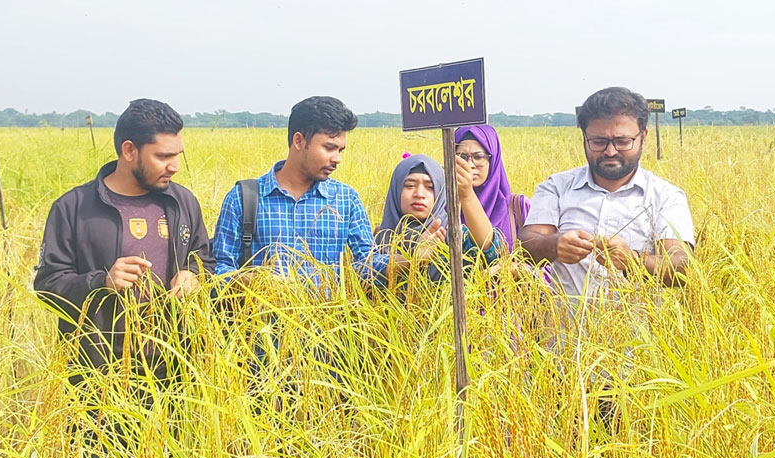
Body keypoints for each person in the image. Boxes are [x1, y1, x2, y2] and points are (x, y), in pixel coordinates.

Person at [34, 98, 215, 382]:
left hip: (174, 372)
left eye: (177, 154)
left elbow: (203, 259)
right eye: (163, 157)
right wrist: (101, 282)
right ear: (129, 150)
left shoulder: (183, 203)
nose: (175, 166)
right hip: (98, 377)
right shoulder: (73, 208)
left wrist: (192, 275)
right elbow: (47, 287)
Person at [519, 86, 694, 298]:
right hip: (564, 329)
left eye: (622, 141)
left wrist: (632, 260)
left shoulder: (666, 196)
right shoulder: (556, 187)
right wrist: (554, 244)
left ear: (643, 136)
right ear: (584, 138)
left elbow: (681, 266)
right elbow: (526, 244)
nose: (610, 152)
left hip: (639, 328)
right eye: (599, 142)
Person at [211, 96, 388, 283]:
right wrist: (258, 282)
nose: (337, 159)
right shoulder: (244, 198)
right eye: (329, 148)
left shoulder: (345, 199)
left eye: (340, 150)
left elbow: (368, 264)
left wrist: (414, 259)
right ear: (298, 141)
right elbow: (220, 270)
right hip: (262, 311)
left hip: (329, 312)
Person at [374, 153, 501, 287]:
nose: (419, 194)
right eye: (410, 185)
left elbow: (490, 251)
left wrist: (467, 194)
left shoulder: (452, 235)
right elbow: (362, 275)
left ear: (440, 193)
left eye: (430, 187)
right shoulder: (379, 239)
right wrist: (413, 259)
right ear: (396, 190)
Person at [453, 124, 531, 250]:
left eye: (478, 157)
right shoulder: (446, 208)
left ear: (493, 159)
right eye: (462, 157)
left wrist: (514, 268)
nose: (469, 165)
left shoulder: (519, 208)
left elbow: (547, 264)